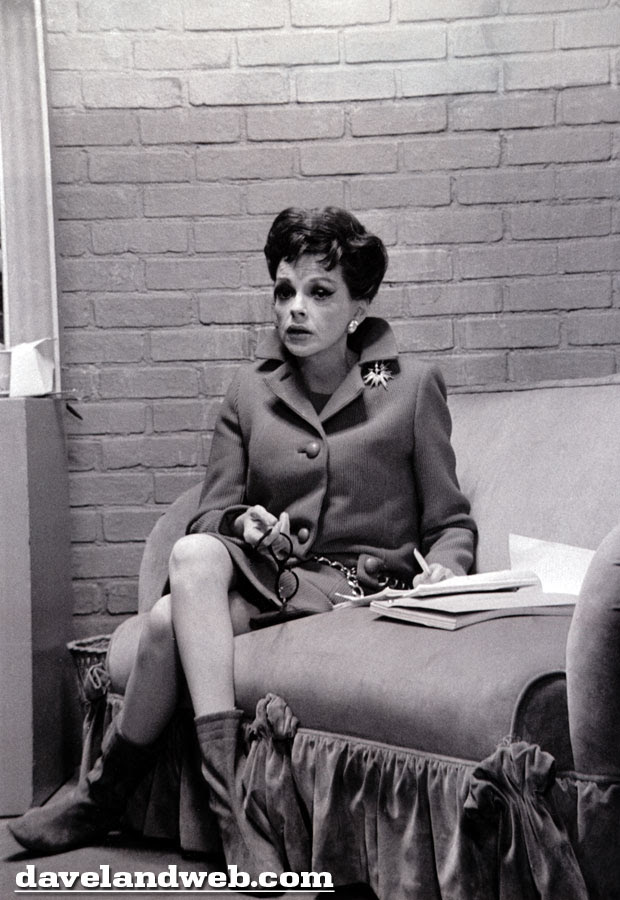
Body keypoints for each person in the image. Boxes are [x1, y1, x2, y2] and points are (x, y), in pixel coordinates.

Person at [9, 207, 476, 872]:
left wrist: (448, 568)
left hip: (354, 589)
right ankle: (232, 811)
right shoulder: (249, 392)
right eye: (284, 291)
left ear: (360, 306)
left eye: (319, 292)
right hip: (269, 576)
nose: (295, 308)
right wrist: (242, 523)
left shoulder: (410, 387)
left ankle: (102, 794)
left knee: (167, 622)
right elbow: (208, 517)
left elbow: (450, 521)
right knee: (196, 554)